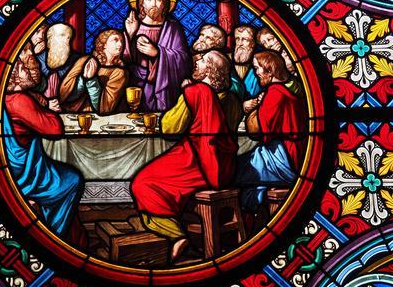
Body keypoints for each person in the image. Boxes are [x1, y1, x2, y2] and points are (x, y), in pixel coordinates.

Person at [131, 50, 238, 262]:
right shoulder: (232, 99)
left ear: (210, 70)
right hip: (223, 166)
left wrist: (185, 95)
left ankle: (177, 235)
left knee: (143, 183)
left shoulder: (196, 92)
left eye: (202, 61)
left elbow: (169, 128)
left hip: (197, 161)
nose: (196, 62)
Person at [3, 55, 83, 237]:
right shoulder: (18, 100)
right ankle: (52, 232)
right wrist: (49, 111)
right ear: (15, 77)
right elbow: (54, 129)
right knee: (72, 179)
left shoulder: (7, 100)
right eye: (23, 69)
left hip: (14, 166)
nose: (28, 71)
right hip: (25, 173)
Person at [235, 50, 307, 217]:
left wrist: (254, 110)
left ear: (269, 70)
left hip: (284, 156)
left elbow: (259, 132)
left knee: (239, 169)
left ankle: (249, 217)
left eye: (257, 68)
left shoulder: (275, 92)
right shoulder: (290, 91)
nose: (256, 73)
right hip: (296, 152)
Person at [124, 0, 190, 111]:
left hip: (165, 86)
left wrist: (158, 53)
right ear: (142, 4)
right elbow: (124, 60)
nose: (154, 4)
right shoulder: (134, 26)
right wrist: (130, 35)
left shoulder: (173, 28)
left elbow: (184, 60)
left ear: (164, 5)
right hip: (136, 85)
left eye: (158, 0)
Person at [60, 29, 128, 114]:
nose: (120, 44)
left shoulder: (119, 73)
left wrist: (91, 80)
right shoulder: (85, 61)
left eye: (121, 41)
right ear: (104, 44)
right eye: (115, 40)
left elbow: (105, 108)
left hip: (101, 119)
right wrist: (83, 79)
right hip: (76, 115)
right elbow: (65, 95)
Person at [38, 23, 79, 104]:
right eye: (62, 35)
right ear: (51, 38)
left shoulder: (77, 60)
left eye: (69, 36)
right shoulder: (38, 60)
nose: (67, 39)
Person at [231, 25, 263, 106]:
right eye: (237, 39)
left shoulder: (261, 65)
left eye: (245, 39)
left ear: (253, 43)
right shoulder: (225, 63)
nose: (240, 43)